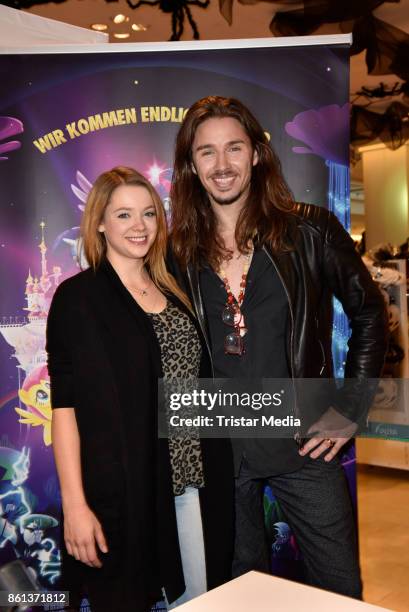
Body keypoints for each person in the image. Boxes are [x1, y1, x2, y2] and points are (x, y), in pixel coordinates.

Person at [168, 96, 387, 599]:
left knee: (338, 590)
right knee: (240, 593)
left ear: (257, 155)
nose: (222, 166)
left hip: (305, 446)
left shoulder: (310, 229)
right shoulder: (177, 250)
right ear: (190, 165)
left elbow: (371, 313)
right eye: (207, 152)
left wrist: (351, 407)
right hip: (220, 453)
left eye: (234, 148)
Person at [46, 167, 234, 612]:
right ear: (99, 222)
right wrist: (74, 505)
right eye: (124, 214)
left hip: (195, 483)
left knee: (202, 601)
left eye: (149, 213)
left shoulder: (178, 288)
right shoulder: (78, 299)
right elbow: (65, 408)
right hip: (128, 494)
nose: (139, 226)